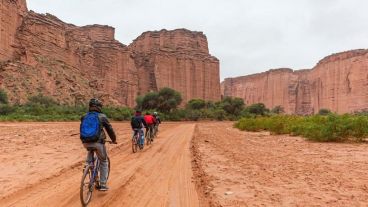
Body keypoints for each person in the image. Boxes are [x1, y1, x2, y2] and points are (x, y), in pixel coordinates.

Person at [80, 98, 117, 191]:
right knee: (104, 161)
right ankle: (103, 184)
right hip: (98, 143)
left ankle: (88, 166)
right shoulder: (102, 116)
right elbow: (109, 130)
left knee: (90, 156)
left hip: (85, 142)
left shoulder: (84, 116)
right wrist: (113, 139)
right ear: (99, 107)